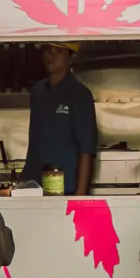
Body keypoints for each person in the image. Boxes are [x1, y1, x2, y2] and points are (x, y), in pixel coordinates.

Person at [20, 42, 98, 196]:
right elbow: (34, 140)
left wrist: (80, 194)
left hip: (67, 186)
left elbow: (86, 149)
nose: (51, 56)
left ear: (71, 58)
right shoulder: (38, 92)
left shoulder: (80, 94)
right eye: (48, 50)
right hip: (36, 185)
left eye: (59, 52)